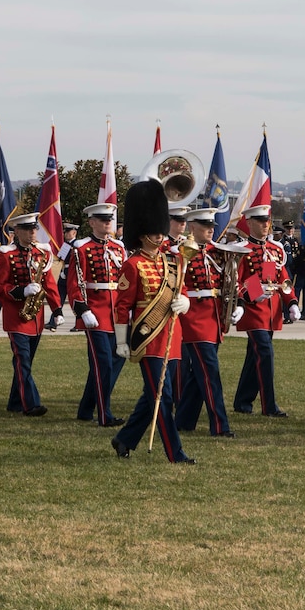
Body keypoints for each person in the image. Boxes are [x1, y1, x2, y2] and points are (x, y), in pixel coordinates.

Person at [109, 179, 195, 464]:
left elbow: (181, 291)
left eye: (160, 232)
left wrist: (186, 303)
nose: (159, 237)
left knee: (153, 396)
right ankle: (175, 453)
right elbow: (122, 307)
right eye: (153, 233)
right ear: (141, 235)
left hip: (173, 335)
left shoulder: (173, 262)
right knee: (164, 397)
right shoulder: (132, 265)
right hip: (148, 337)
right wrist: (121, 341)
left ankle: (124, 438)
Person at [174, 208, 243, 437]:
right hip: (193, 318)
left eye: (212, 225)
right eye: (205, 226)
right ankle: (220, 425)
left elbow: (234, 279)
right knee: (210, 373)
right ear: (192, 227)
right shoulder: (180, 252)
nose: (211, 229)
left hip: (215, 318)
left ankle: (183, 420)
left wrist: (242, 302)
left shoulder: (218, 251)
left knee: (199, 373)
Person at [0, 212, 61, 416]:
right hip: (16, 316)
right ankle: (31, 404)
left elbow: (49, 283)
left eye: (34, 229)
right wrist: (21, 291)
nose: (33, 233)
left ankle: (14, 402)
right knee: (23, 359)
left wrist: (56, 309)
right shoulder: (6, 255)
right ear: (17, 232)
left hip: (36, 317)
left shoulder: (42, 253)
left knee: (24, 362)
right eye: (28, 229)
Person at [232, 205, 300, 417]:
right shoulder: (242, 249)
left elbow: (277, 278)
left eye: (267, 221)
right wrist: (253, 293)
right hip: (252, 310)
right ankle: (269, 406)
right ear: (250, 223)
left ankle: (243, 401)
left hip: (270, 310)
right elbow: (236, 281)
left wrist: (292, 302)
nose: (265, 225)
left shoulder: (274, 249)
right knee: (265, 353)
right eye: (260, 221)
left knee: (255, 356)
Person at [66, 203, 127, 426]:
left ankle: (86, 409)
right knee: (103, 365)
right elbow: (74, 284)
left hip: (117, 314)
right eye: (102, 220)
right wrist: (83, 310)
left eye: (109, 219)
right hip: (96, 313)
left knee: (117, 358)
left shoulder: (119, 247)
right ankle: (104, 415)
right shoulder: (81, 248)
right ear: (92, 223)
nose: (107, 223)